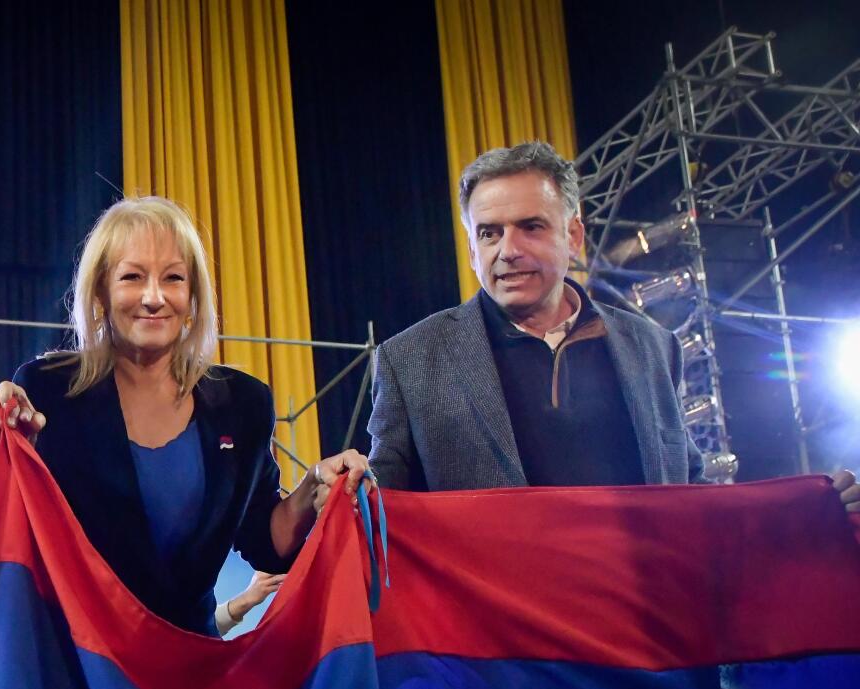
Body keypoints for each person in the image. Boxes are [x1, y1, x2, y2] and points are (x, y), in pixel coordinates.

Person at [366, 140, 860, 512]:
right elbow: (383, 513)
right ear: (472, 249)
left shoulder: (651, 347)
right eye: (489, 233)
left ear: (574, 235)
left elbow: (689, 494)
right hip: (497, 643)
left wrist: (807, 511)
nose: (508, 250)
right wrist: (341, 494)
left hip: (645, 636)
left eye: (531, 227)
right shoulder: (411, 359)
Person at [0, 197, 369, 636]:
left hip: (188, 672)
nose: (154, 297)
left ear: (193, 295)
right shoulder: (48, 389)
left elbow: (267, 541)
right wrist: (3, 442)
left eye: (173, 278)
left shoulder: (243, 402)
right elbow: (8, 530)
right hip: (76, 663)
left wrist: (314, 485)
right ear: (101, 290)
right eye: (132, 277)